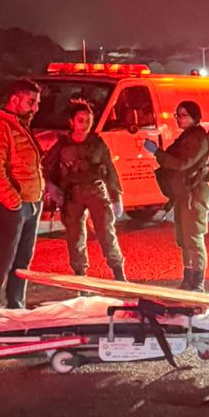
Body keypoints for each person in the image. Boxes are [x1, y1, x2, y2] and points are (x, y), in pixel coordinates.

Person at [0, 79, 45, 311]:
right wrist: (13, 200)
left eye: (37, 102)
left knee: (22, 260)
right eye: (31, 102)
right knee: (5, 260)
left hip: (31, 201)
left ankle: (16, 307)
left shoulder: (18, 124)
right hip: (14, 206)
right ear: (14, 99)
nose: (35, 107)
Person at [43, 99, 127, 282]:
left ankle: (119, 274)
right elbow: (47, 167)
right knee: (75, 237)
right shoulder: (62, 144)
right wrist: (52, 186)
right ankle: (81, 278)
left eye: (88, 120)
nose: (85, 124)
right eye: (81, 120)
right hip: (71, 195)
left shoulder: (97, 143)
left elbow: (109, 169)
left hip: (95, 190)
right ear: (72, 122)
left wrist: (116, 196)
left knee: (106, 233)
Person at [146, 99, 209, 291]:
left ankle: (197, 282)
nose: (179, 119)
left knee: (193, 238)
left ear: (194, 116)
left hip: (195, 194)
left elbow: (181, 163)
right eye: (178, 115)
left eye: (184, 115)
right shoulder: (188, 136)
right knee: (184, 240)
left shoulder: (197, 137)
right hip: (185, 193)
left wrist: (157, 152)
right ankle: (188, 279)